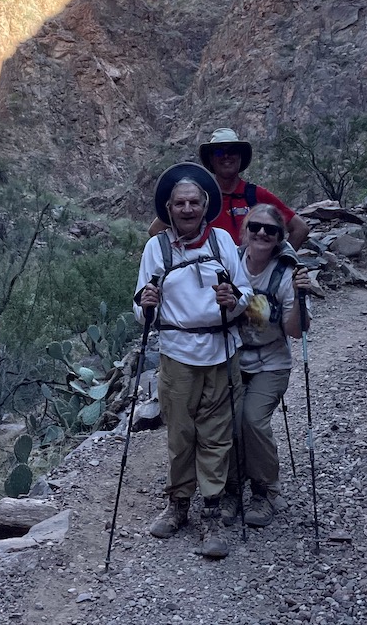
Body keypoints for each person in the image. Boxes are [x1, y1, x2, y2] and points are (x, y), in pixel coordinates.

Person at [134, 162, 253, 560]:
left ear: (206, 205)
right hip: (177, 354)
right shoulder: (157, 248)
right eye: (180, 203)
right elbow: (141, 306)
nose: (187, 209)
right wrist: (145, 304)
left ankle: (213, 514)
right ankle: (178, 505)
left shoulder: (222, 243)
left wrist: (233, 302)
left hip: (221, 350)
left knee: (217, 434)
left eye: (194, 202)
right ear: (169, 208)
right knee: (180, 433)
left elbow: (246, 294)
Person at [221, 204, 311, 528]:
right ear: (245, 231)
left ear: (278, 238)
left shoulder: (286, 274)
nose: (261, 233)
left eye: (270, 230)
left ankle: (264, 490)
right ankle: (232, 488)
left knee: (252, 420)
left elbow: (296, 331)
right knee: (226, 421)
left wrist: (301, 297)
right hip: (231, 356)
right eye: (255, 227)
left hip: (271, 360)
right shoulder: (230, 264)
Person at [149, 127, 309, 249]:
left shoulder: (256, 195)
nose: (226, 156)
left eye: (232, 151)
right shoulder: (197, 198)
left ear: (240, 157)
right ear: (211, 159)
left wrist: (277, 265)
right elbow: (155, 230)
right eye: (219, 152)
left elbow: (300, 228)